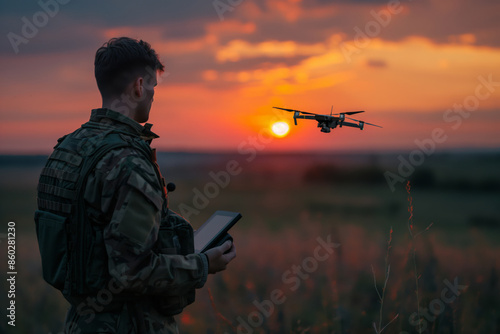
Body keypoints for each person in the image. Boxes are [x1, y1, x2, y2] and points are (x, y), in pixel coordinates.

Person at [35, 37, 236, 333]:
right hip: (129, 324)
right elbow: (130, 272)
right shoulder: (128, 162)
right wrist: (204, 264)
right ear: (139, 86)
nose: (154, 94)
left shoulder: (69, 147)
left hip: (80, 322)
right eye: (153, 86)